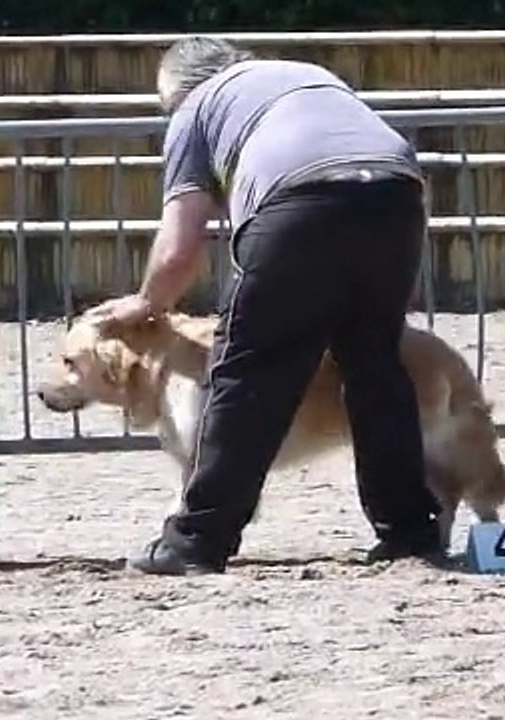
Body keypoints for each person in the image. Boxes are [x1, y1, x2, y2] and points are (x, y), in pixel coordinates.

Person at [93, 36, 444, 576]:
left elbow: (181, 242)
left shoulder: (197, 106)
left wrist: (145, 304)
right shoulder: (304, 75)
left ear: (178, 92)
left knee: (247, 371)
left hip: (301, 202)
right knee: (375, 365)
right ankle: (409, 530)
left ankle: (197, 539)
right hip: (396, 194)